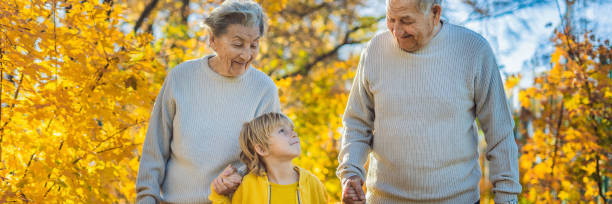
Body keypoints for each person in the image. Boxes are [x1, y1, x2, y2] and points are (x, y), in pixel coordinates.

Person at [337, 0, 522, 203]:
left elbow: (500, 132)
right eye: (391, 20)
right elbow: (356, 123)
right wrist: (350, 173)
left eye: (406, 21)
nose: (396, 31)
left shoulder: (473, 51)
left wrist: (507, 197)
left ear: (435, 13)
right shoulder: (375, 51)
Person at [135, 1, 281, 203]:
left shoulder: (264, 89)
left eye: (254, 45)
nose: (247, 55)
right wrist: (146, 197)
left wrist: (239, 173)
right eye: (238, 44)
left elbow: (272, 157)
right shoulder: (181, 78)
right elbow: (156, 146)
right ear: (212, 39)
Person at [209, 112, 328, 203]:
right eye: (282, 131)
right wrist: (218, 196)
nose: (294, 134)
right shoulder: (248, 186)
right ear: (262, 149)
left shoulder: (313, 184)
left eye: (292, 129)